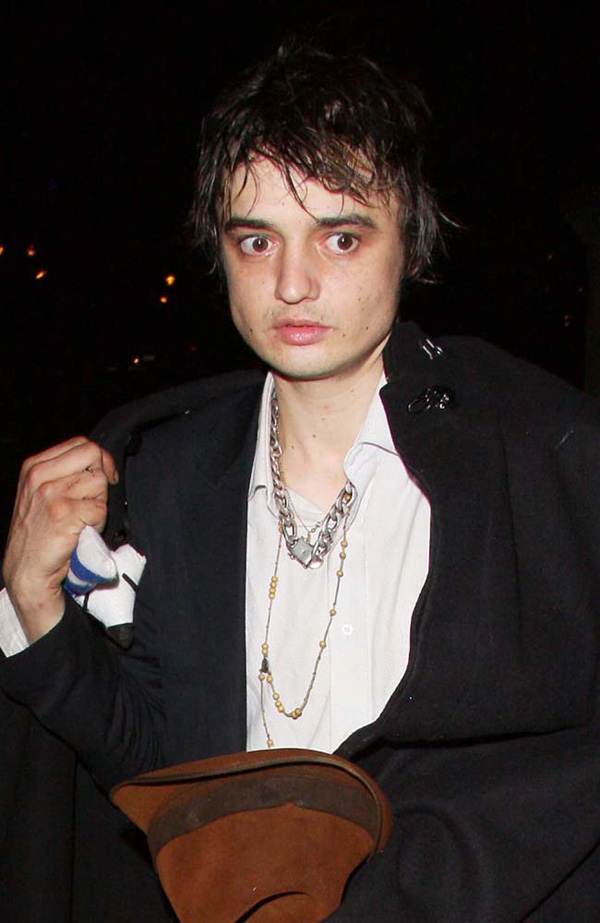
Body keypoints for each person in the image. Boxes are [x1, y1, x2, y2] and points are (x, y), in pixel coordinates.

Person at [2, 41, 600, 922]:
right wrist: (36, 606)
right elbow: (169, 776)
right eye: (257, 240)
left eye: (341, 236)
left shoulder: (533, 461)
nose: (292, 283)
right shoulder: (171, 473)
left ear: (411, 240)